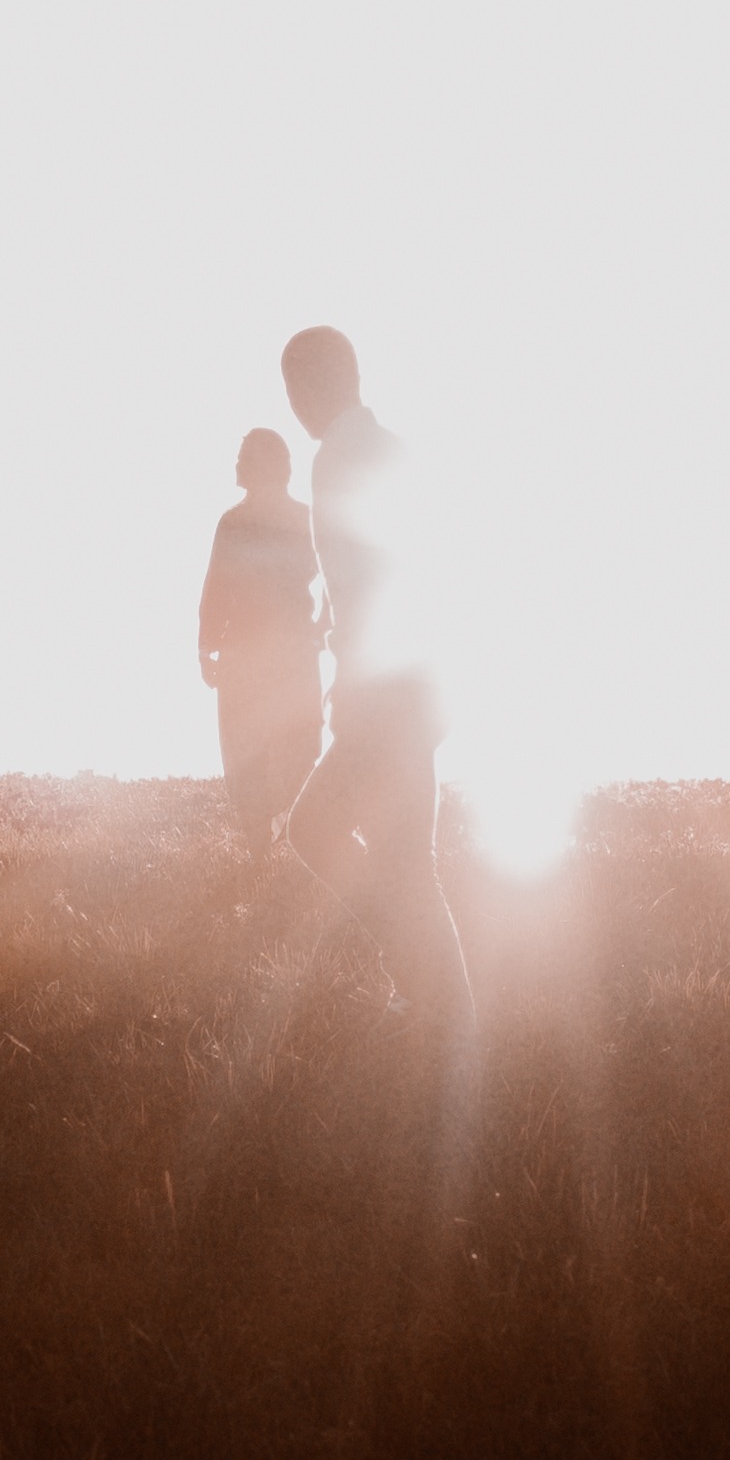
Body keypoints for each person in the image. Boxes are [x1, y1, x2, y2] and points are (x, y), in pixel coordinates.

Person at [269, 323, 472, 1027]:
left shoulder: (333, 459)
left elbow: (368, 585)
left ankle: (430, 993)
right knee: (409, 860)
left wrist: (347, 694)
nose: (293, 407)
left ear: (314, 386)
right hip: (414, 691)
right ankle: (437, 1008)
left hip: (380, 696)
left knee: (316, 829)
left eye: (294, 390)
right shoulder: (395, 450)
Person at [196, 426, 323, 827]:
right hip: (294, 650)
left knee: (247, 758)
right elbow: (335, 577)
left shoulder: (234, 522)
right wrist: (321, 626)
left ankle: (260, 861)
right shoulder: (305, 518)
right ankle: (291, 858)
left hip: (247, 654)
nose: (235, 463)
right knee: (298, 751)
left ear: (259, 466)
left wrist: (206, 648)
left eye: (243, 455)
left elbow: (216, 588)